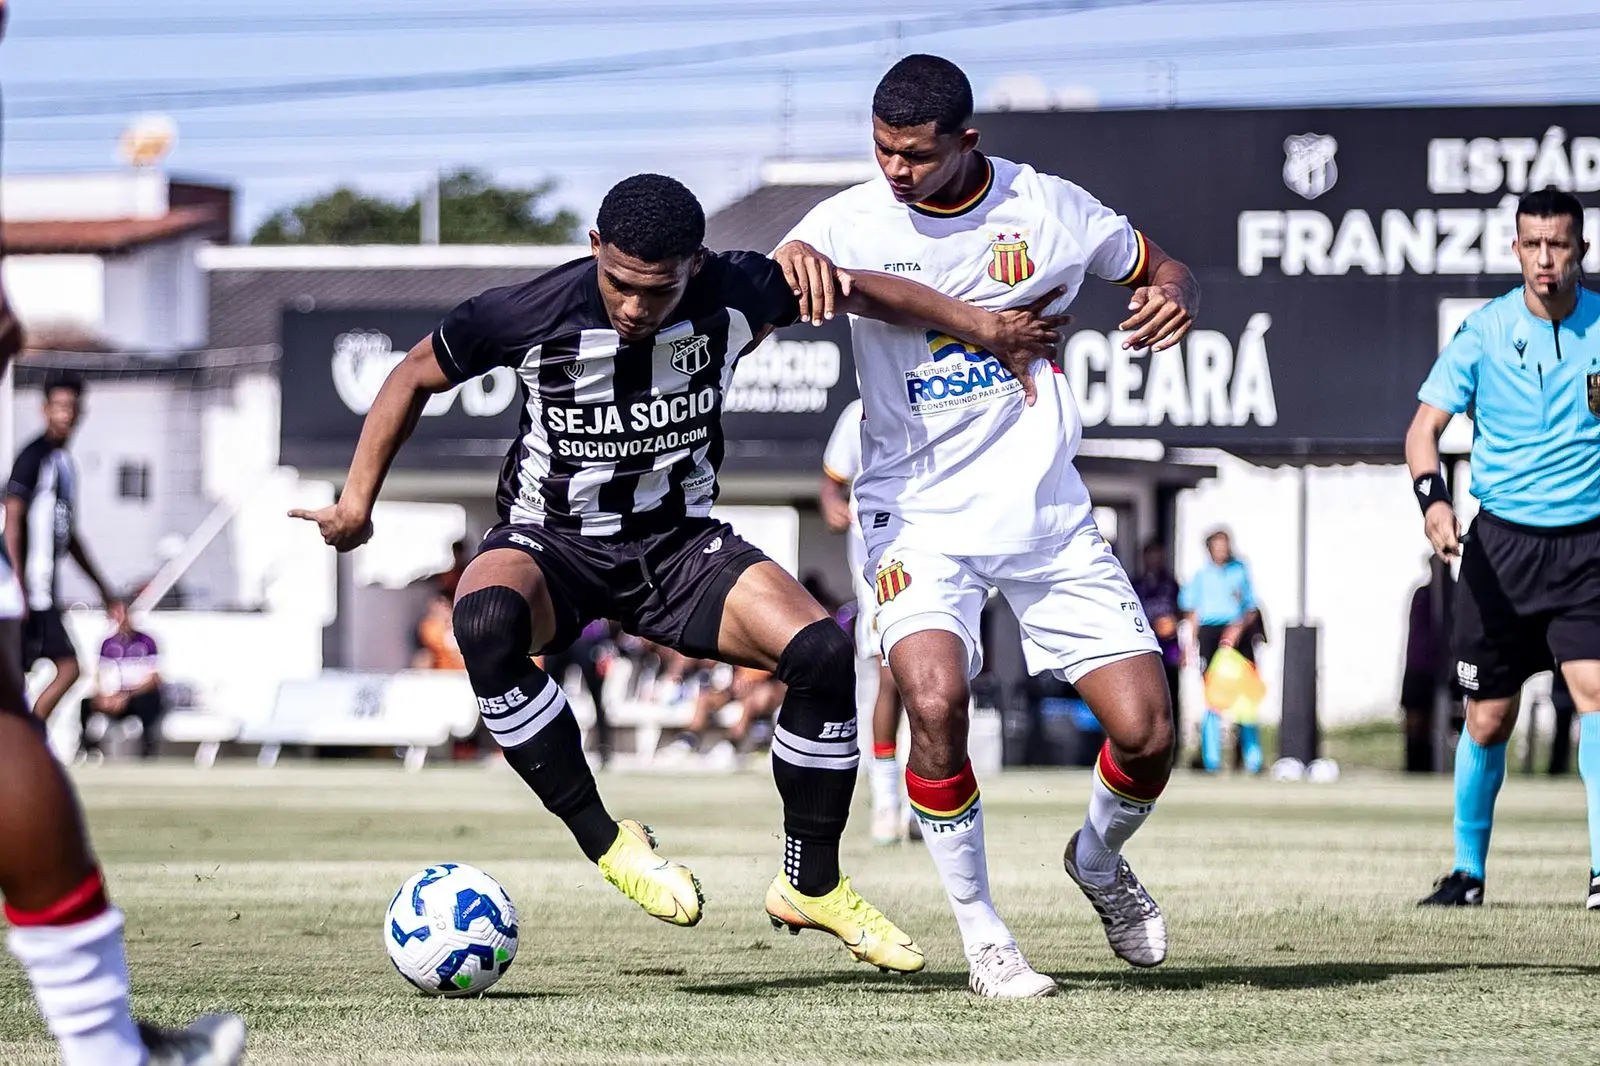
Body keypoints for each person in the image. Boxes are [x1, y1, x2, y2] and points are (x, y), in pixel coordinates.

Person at [291, 172, 1064, 973]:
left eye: (656, 292)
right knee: (484, 626)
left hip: (676, 545)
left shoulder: (737, 290)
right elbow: (411, 374)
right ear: (596, 250)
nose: (633, 308)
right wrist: (355, 504)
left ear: (694, 265)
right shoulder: (527, 313)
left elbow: (861, 289)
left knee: (824, 657)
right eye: (619, 284)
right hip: (551, 542)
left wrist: (986, 328)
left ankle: (814, 883)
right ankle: (608, 843)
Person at [777, 55, 1196, 994]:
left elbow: (1158, 262)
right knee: (930, 698)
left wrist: (1174, 291)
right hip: (914, 519)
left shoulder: (1047, 208)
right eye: (881, 150)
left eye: (916, 156)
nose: (895, 171)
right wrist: (786, 274)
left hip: (1045, 516)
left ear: (969, 143)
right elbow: (780, 288)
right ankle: (984, 935)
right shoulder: (846, 219)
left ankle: (1095, 860)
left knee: (1147, 732)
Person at [0, 4, 247, 1056]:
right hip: (25, 583)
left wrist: (91, 582)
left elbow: (70, 522)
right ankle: (108, 1047)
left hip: (50, 585)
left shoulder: (61, 458)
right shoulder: (28, 459)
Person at [1407, 187, 1600, 910]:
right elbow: (1422, 432)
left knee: (1595, 696)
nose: (1545, 259)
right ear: (1515, 248)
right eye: (1532, 244)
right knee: (1488, 716)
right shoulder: (1485, 332)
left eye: (1558, 244)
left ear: (1580, 247)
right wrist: (1434, 504)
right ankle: (1467, 873)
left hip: (1588, 546)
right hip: (1501, 549)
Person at [821, 397, 917, 846]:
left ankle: (924, 799)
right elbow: (831, 482)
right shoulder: (857, 410)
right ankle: (886, 801)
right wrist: (831, 506)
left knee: (934, 681)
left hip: (932, 546)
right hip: (878, 557)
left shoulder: (927, 394)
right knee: (891, 674)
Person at [4, 372, 118, 723]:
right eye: (59, 407)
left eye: (71, 407)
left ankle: (29, 742)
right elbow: (12, 519)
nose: (66, 414)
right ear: (45, 410)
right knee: (60, 668)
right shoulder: (32, 457)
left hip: (42, 594)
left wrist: (104, 590)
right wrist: (17, 587)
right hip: (21, 594)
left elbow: (67, 535)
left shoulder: (65, 464)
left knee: (66, 668)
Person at [1180, 529, 1263, 774]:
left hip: (1238, 636)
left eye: (1225, 545)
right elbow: (1192, 612)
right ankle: (1212, 761)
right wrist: (1188, 645)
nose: (1222, 550)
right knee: (1213, 698)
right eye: (1217, 545)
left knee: (1246, 699)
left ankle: (1252, 759)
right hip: (1210, 634)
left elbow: (1251, 607)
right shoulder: (1201, 576)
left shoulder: (1240, 570)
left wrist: (1237, 629)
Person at [79, 600, 165, 761]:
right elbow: (99, 674)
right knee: (86, 704)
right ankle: (87, 749)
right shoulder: (107, 644)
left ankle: (147, 753)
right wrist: (106, 696)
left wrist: (127, 696)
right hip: (114, 697)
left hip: (136, 695)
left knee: (148, 703)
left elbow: (154, 678)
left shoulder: (147, 642)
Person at [1133, 538, 1183, 766]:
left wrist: (1174, 624)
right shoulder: (1135, 584)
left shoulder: (1171, 585)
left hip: (1169, 652)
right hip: (1143, 652)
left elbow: (1182, 613)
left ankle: (1173, 752)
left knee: (1170, 701)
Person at [541, 619, 615, 765]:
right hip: (558, 635)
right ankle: (547, 745)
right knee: (547, 696)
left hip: (587, 636)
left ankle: (604, 747)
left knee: (597, 696)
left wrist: (605, 645)